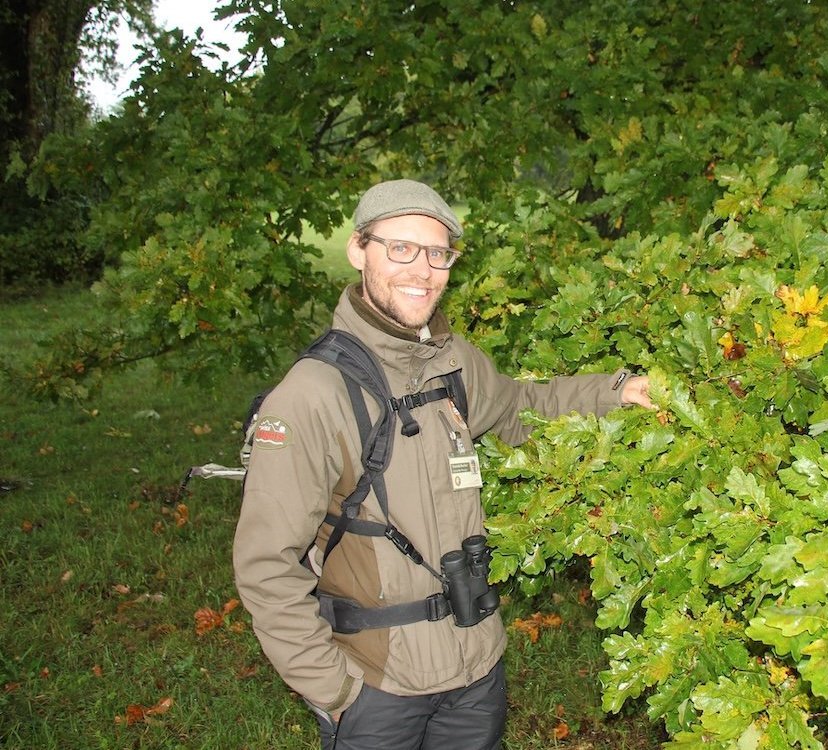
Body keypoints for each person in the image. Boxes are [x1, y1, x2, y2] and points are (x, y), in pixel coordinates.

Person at [232, 179, 652, 750]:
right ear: (358, 250)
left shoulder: (451, 363)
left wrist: (617, 392)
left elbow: (523, 407)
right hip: (377, 684)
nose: (422, 270)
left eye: (437, 254)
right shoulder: (313, 395)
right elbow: (266, 565)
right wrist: (334, 690)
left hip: (475, 668)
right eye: (401, 248)